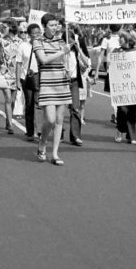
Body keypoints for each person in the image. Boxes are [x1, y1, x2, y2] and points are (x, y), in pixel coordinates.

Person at [33, 14, 72, 165]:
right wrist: (62, 51)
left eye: (56, 25)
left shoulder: (61, 40)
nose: (55, 28)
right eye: (51, 25)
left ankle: (55, 153)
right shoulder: (38, 41)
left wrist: (68, 67)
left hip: (61, 82)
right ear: (44, 26)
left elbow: (64, 60)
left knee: (59, 120)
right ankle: (42, 143)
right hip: (47, 82)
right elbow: (43, 60)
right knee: (49, 119)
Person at [16, 23, 41, 141]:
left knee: (40, 104)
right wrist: (17, 81)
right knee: (30, 104)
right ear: (29, 35)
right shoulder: (23, 46)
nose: (37, 35)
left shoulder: (43, 45)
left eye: (39, 33)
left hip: (41, 77)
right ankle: (30, 132)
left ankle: (40, 131)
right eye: (34, 33)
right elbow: (18, 64)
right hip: (27, 78)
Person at [66, 24, 90, 146]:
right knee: (59, 110)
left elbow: (86, 62)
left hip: (74, 82)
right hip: (62, 83)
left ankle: (75, 136)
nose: (71, 42)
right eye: (69, 40)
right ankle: (59, 133)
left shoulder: (75, 52)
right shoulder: (62, 53)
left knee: (75, 109)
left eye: (72, 40)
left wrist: (78, 48)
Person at [0, 23, 21, 136]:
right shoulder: (1, 41)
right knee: (8, 99)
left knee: (13, 100)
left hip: (16, 73)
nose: (11, 33)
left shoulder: (19, 41)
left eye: (12, 31)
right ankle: (10, 124)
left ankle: (7, 120)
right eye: (9, 31)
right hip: (5, 72)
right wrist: (2, 33)